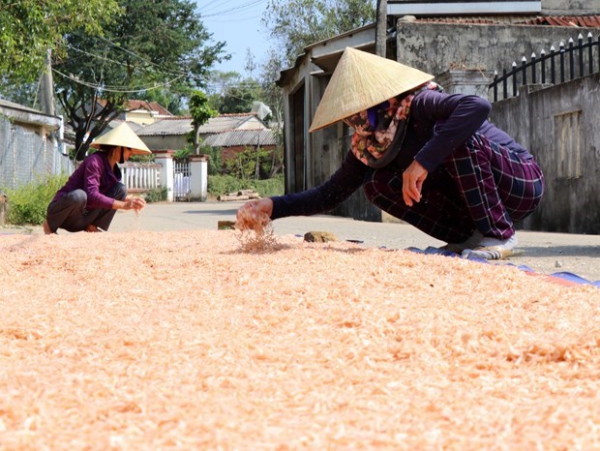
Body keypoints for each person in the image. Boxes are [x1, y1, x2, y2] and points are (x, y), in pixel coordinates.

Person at [237, 47, 545, 260]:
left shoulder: (421, 104)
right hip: (473, 209)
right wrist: (272, 207)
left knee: (456, 138)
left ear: (376, 102)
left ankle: (501, 235)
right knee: (377, 183)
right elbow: (329, 194)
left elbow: (477, 106)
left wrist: (422, 162)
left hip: (520, 183)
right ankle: (472, 238)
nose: (354, 121)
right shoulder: (369, 144)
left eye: (357, 111)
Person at [42, 122, 150, 234]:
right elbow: (92, 195)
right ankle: (49, 226)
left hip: (82, 219)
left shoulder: (114, 170)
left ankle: (92, 226)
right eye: (129, 150)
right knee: (80, 195)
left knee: (120, 189)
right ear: (118, 148)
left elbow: (106, 195)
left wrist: (132, 200)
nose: (131, 154)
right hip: (64, 215)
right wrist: (124, 205)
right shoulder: (94, 162)